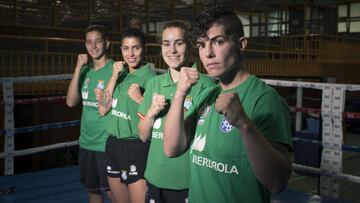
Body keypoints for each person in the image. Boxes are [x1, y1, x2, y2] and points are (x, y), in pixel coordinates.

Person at [162, 6, 293, 203]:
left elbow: (277, 182)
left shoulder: (265, 98)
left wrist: (244, 124)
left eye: (219, 42)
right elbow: (172, 149)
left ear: (241, 44)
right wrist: (180, 93)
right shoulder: (207, 94)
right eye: (201, 45)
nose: (208, 53)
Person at [137, 21, 216, 203]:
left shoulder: (207, 86)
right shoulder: (154, 84)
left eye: (179, 43)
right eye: (166, 44)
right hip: (155, 176)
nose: (172, 50)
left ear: (189, 45)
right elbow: (142, 135)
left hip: (188, 182)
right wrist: (151, 112)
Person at [98, 28, 156, 203]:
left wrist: (141, 100)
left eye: (136, 48)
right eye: (125, 48)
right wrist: (114, 76)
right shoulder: (119, 75)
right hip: (113, 145)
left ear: (144, 49)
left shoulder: (151, 79)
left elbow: (157, 119)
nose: (130, 54)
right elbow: (102, 109)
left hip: (136, 146)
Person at [66, 24, 114, 203]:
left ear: (107, 43)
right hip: (87, 141)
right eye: (89, 42)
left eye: (98, 42)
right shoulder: (85, 71)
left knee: (112, 192)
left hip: (106, 143)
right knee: (93, 191)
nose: (93, 47)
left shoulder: (114, 70)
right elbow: (71, 102)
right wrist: (78, 68)